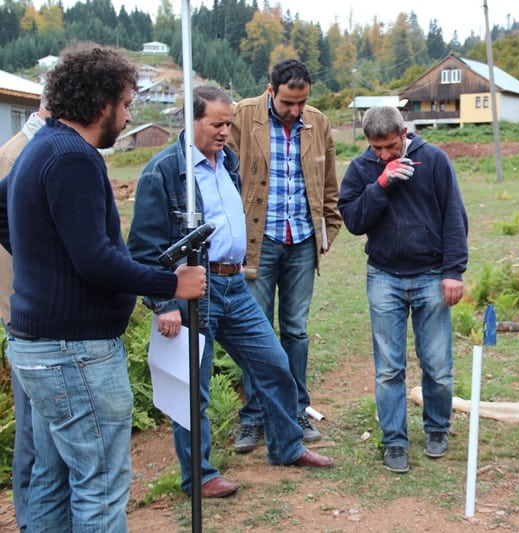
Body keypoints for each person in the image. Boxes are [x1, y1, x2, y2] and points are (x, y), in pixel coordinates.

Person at [0, 43, 207, 532]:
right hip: (77, 354)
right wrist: (170, 282)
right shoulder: (75, 158)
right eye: (127, 104)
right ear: (101, 106)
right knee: (101, 484)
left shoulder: (41, 146)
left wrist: (44, 264)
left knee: (52, 479)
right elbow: (95, 260)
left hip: (36, 346)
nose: (129, 114)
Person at [127, 85, 334, 499]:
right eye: (216, 123)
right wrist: (165, 303)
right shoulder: (165, 170)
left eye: (228, 123)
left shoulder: (228, 162)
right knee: (194, 387)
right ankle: (199, 476)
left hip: (235, 284)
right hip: (193, 289)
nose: (225, 131)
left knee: (274, 363)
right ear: (193, 121)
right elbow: (144, 247)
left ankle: (286, 446)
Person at [338, 106, 469, 473]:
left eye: (390, 147)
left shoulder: (435, 160)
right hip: (384, 276)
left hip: (431, 274)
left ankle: (437, 428)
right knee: (389, 368)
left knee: (438, 365)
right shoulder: (363, 169)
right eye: (376, 148)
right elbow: (353, 220)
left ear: (404, 132)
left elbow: (454, 217)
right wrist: (381, 183)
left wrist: (453, 271)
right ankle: (394, 440)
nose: (383, 155)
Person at [228, 58, 342, 450]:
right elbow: (221, 176)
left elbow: (329, 183)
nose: (296, 111)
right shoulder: (243, 116)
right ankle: (255, 417)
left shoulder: (318, 121)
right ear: (271, 90)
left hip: (302, 241)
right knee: (255, 332)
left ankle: (296, 412)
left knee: (295, 330)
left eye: (302, 102)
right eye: (288, 103)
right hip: (256, 241)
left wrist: (329, 227)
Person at [0, 94, 47, 533]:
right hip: (26, 307)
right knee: (32, 420)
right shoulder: (15, 156)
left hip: (37, 303)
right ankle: (32, 518)